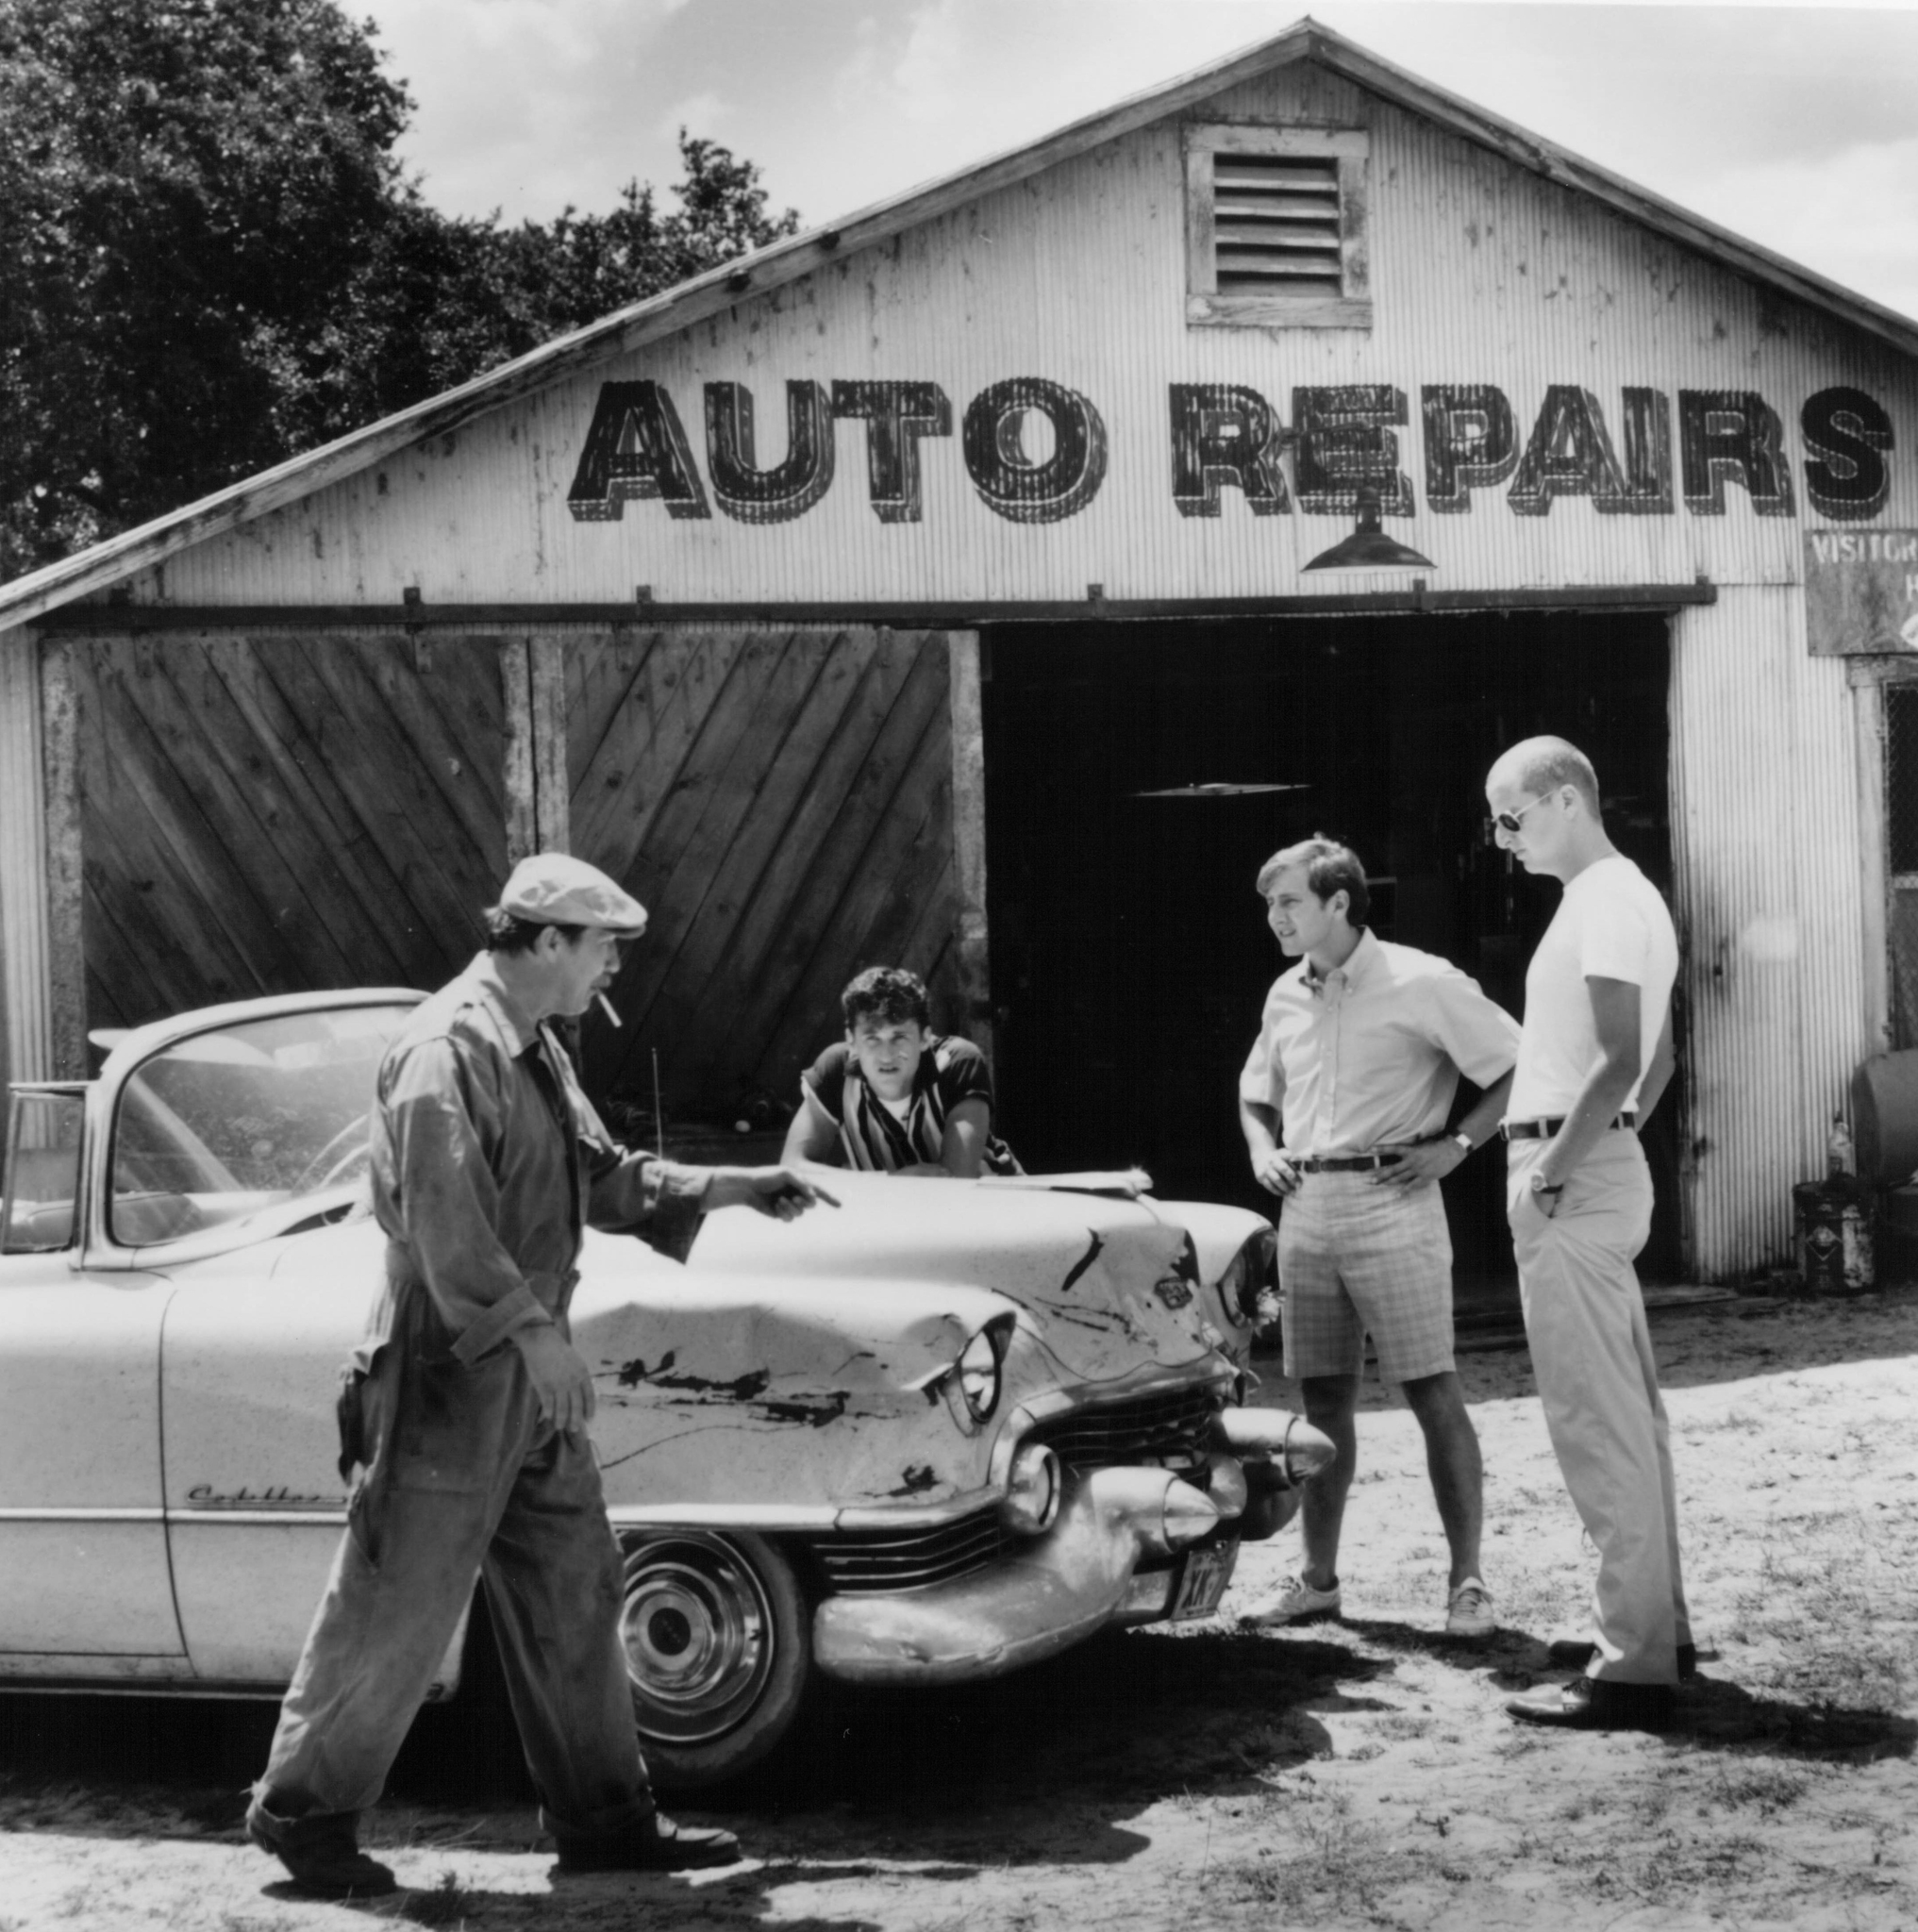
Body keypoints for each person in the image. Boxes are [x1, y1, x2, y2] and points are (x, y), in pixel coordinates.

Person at [246, 853, 836, 1897]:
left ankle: (606, 1821)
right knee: (399, 1601)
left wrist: (737, 1184)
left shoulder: (536, 1049)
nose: (612, 967)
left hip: (523, 1372)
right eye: (603, 946)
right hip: (445, 1368)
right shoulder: (446, 1050)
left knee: (575, 1582)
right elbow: (446, 1228)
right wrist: (534, 1335)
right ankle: (304, 1815)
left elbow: (602, 1178)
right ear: (547, 941)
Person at [1232, 837, 1520, 1640]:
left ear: (1338, 904)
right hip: (1307, 1207)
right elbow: (1257, 1091)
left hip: (1393, 1199)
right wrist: (1262, 1150)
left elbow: (1515, 1064)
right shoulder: (1283, 994)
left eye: (1288, 901)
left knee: (1430, 1388)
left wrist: (1456, 1146)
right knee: (1321, 1400)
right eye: (1268, 904)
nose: (1274, 917)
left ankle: (1467, 1586)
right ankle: (1317, 1582)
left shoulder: (1420, 980)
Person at [1486, 738, 1692, 1734]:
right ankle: (1652, 1626)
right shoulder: (1623, 896)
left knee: (1593, 1418)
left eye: (1511, 817)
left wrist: (1559, 1164)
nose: (1501, 838)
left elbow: (1619, 1057)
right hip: (1596, 1165)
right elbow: (1654, 1061)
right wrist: (1609, 1143)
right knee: (1628, 1413)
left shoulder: (1605, 898)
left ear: (1564, 799)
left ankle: (1630, 1662)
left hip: (1569, 1174)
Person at [781, 964, 1021, 1177]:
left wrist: (864, 1184)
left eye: (900, 1037)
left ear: (925, 1037)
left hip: (995, 1210)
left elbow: (955, 1179)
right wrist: (892, 1182)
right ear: (851, 1040)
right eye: (872, 1038)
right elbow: (793, 1166)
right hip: (889, 1214)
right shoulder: (836, 1070)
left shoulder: (956, 1062)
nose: (886, 1055)